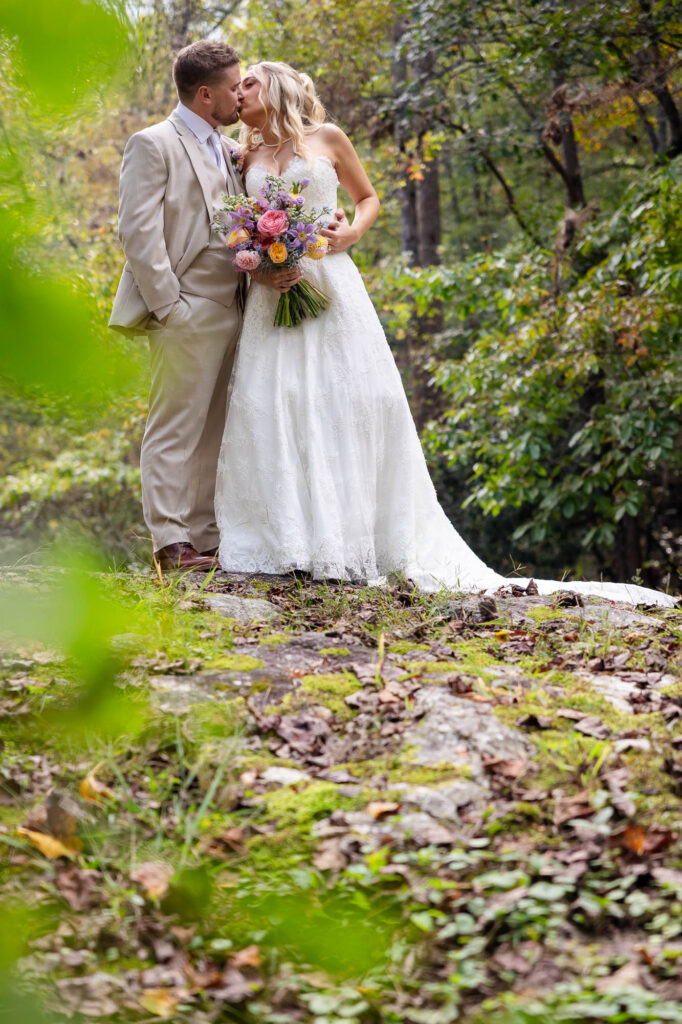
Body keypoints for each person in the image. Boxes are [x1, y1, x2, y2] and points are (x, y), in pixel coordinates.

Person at [214, 61, 675, 608]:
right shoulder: (244, 157)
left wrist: (350, 234)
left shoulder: (328, 138)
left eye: (248, 82)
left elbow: (368, 199)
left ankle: (345, 542)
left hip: (331, 284)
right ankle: (286, 541)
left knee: (343, 401)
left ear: (278, 87)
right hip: (274, 291)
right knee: (275, 401)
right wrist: (263, 269)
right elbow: (237, 226)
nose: (238, 91)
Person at [109, 41, 299, 571]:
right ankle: (170, 543)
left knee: (214, 428)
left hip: (237, 307)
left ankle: (203, 538)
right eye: (234, 87)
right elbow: (137, 232)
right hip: (185, 308)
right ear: (204, 93)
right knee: (174, 426)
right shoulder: (152, 143)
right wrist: (170, 306)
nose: (241, 95)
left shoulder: (230, 147)